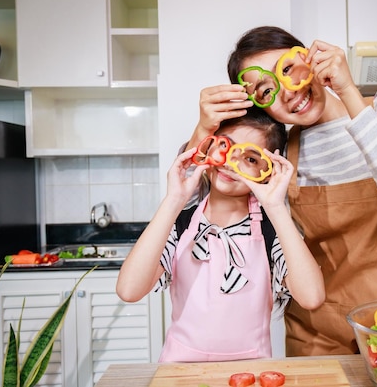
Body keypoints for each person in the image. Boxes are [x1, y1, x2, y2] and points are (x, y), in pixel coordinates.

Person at [186, 26, 377, 356]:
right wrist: (203, 128)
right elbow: (192, 204)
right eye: (265, 90)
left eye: (288, 69)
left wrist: (348, 92)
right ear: (262, 107)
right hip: (317, 334)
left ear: (310, 60)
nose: (288, 92)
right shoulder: (279, 157)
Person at [117, 109, 325, 362]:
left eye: (250, 159)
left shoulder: (273, 230)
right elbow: (129, 290)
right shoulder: (179, 224)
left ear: (268, 170)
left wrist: (276, 207)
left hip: (249, 374)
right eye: (226, 146)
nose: (231, 162)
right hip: (179, 371)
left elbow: (312, 297)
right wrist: (174, 200)